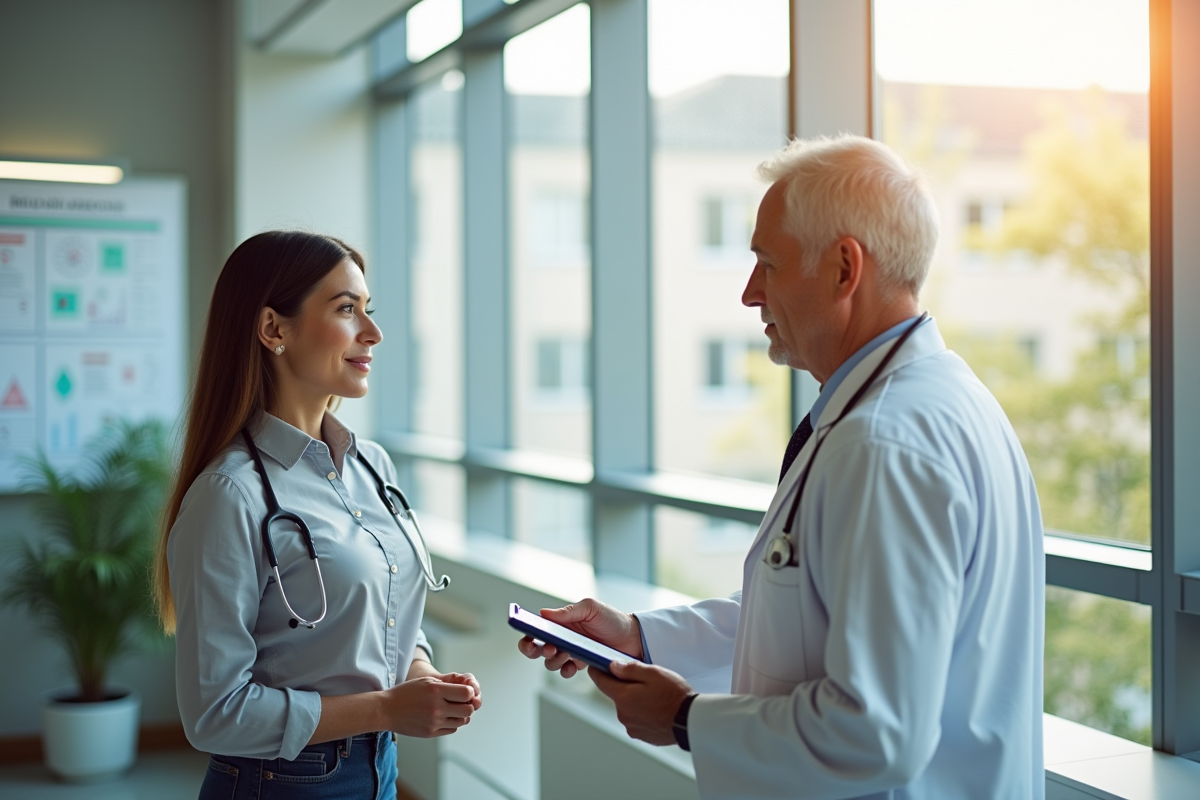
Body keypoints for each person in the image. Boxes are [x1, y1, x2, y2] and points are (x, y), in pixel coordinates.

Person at [518, 135, 1044, 799]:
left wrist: (685, 718)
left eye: (767, 263)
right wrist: (639, 637)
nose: (749, 293)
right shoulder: (940, 400)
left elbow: (876, 731)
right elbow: (815, 611)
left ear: (844, 269)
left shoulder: (884, 444)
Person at [153, 231, 482, 800]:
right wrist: (386, 707)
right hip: (279, 783)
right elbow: (215, 715)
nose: (373, 333)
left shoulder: (371, 466)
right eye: (347, 309)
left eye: (369, 309)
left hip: (378, 768)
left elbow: (383, 611)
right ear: (273, 329)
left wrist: (421, 676)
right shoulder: (229, 494)